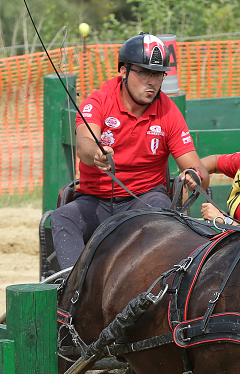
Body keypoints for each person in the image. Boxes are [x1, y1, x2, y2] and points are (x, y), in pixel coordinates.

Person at [51, 33, 209, 270]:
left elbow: (199, 171)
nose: (152, 81)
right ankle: (71, 291)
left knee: (160, 211)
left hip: (145, 199)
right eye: (143, 72)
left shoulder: (169, 112)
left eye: (157, 74)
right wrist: (96, 154)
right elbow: (84, 143)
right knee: (62, 217)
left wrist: (195, 177)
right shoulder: (98, 102)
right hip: (96, 200)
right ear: (123, 71)